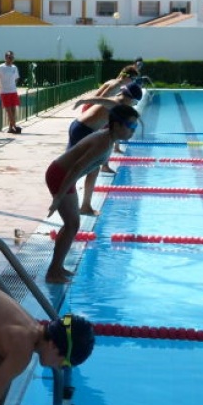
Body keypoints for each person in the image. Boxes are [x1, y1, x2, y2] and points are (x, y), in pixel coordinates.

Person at [45, 103, 140, 284]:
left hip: (64, 175)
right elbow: (77, 167)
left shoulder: (109, 138)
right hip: (61, 175)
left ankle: (57, 268)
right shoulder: (103, 142)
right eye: (131, 126)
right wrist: (58, 197)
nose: (133, 131)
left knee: (72, 224)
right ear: (117, 125)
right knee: (72, 224)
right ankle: (53, 272)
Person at [71, 80, 143, 214]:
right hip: (83, 130)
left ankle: (79, 202)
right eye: (135, 103)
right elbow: (100, 100)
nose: (134, 106)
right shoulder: (116, 103)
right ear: (130, 98)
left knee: (87, 167)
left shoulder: (118, 103)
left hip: (79, 127)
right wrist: (82, 101)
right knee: (85, 168)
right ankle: (82, 204)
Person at [0, 50, 22, 134]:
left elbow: (16, 78)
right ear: (5, 58)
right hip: (4, 92)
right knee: (8, 111)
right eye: (9, 57)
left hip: (13, 91)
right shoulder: (0, 67)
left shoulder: (14, 67)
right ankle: (15, 126)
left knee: (13, 110)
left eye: (12, 57)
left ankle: (10, 128)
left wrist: (13, 85)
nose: (11, 59)